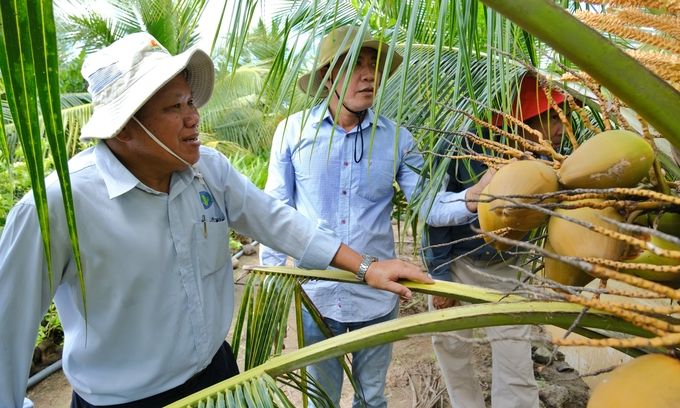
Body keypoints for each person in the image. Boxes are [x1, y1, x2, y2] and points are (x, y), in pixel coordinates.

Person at [0, 32, 435, 408]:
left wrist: (366, 266)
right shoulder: (58, 207)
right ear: (123, 129)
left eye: (190, 101)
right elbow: (6, 330)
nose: (194, 118)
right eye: (174, 108)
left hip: (219, 377)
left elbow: (279, 220)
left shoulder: (209, 170)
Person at [259, 26, 493, 408]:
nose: (369, 75)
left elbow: (429, 207)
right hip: (318, 296)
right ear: (328, 76)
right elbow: (275, 210)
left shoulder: (397, 140)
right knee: (322, 402)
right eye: (356, 65)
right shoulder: (293, 132)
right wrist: (273, 283)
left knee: (372, 400)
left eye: (373, 66)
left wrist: (473, 198)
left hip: (377, 297)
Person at [422, 73, 568, 408]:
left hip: (506, 267)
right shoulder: (463, 148)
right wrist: (441, 279)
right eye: (551, 118)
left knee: (513, 350)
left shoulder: (551, 155)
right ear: (525, 118)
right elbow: (432, 215)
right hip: (455, 262)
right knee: (450, 344)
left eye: (564, 117)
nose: (561, 128)